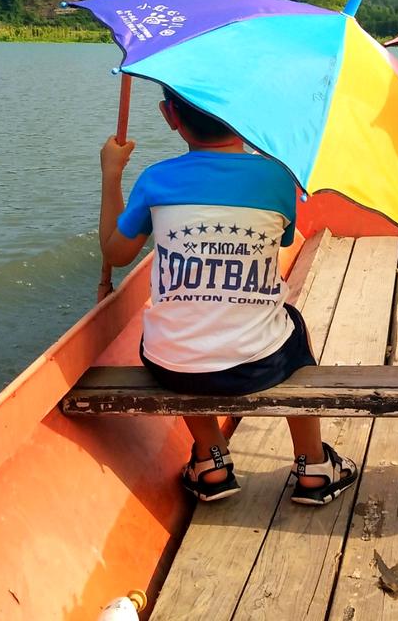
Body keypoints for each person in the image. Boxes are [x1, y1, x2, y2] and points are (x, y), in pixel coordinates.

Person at [98, 89, 358, 506]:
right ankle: (314, 467)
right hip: (261, 365)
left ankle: (211, 461)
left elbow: (116, 252)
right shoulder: (277, 177)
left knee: (177, 332)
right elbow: (283, 237)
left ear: (170, 115)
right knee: (293, 325)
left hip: (173, 366)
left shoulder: (156, 178)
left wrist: (111, 175)